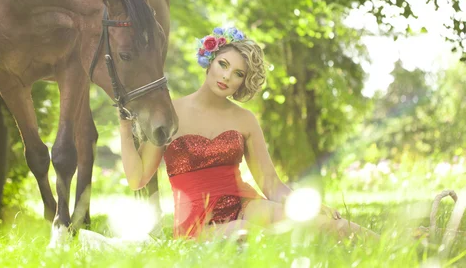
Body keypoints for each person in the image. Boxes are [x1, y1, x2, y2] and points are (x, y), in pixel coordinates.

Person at [119, 26, 378, 240]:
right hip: (196, 224)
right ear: (209, 61)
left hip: (244, 205)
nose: (227, 76)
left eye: (238, 74)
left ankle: (405, 240)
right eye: (223, 64)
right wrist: (124, 126)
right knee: (246, 234)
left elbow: (270, 183)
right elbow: (138, 178)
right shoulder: (169, 113)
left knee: (325, 224)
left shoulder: (245, 119)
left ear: (243, 81)